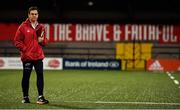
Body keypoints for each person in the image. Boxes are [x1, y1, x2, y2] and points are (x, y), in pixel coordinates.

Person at [13, 6, 49, 104]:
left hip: (38, 56)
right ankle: (25, 97)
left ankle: (40, 97)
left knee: (40, 75)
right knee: (26, 76)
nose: (34, 16)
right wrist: (26, 50)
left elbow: (45, 42)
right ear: (28, 15)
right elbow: (17, 41)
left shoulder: (41, 27)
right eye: (32, 14)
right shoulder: (23, 27)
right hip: (27, 57)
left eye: (36, 14)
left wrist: (42, 41)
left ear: (38, 15)